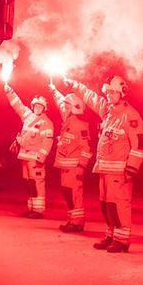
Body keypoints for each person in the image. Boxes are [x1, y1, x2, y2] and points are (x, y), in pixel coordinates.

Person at [64, 75, 143, 253]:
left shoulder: (130, 115)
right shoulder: (107, 110)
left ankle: (122, 240)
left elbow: (139, 143)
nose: (108, 95)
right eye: (107, 92)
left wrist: (131, 168)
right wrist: (75, 84)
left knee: (119, 204)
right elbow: (90, 97)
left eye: (112, 92)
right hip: (104, 168)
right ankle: (111, 235)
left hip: (120, 171)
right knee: (106, 203)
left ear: (122, 93)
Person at [4, 83, 54, 216]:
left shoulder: (46, 122)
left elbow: (48, 141)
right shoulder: (28, 116)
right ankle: (31, 208)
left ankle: (38, 210)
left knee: (37, 183)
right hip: (25, 157)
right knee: (28, 183)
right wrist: (9, 91)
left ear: (44, 108)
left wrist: (41, 158)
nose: (37, 108)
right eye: (36, 106)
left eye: (40, 106)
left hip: (35, 159)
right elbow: (17, 104)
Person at [49, 82, 93, 232]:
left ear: (74, 106)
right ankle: (71, 220)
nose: (65, 107)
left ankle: (78, 223)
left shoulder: (80, 124)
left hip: (74, 168)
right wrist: (54, 90)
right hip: (65, 166)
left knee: (75, 195)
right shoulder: (68, 118)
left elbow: (86, 148)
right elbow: (61, 103)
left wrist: (82, 166)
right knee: (68, 195)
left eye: (68, 106)